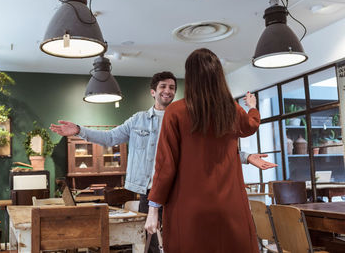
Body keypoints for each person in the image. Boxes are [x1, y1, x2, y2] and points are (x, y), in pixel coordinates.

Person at [50, 71, 275, 253]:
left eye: (171, 88)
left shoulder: (186, 116)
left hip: (180, 192)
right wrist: (79, 131)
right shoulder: (138, 120)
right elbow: (110, 138)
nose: (168, 91)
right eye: (163, 87)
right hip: (148, 191)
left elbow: (210, 150)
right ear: (153, 92)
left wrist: (245, 157)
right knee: (151, 245)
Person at [145, 48, 260, 253]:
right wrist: (252, 106)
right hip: (230, 207)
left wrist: (153, 208)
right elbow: (250, 125)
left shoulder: (176, 112)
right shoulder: (231, 109)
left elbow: (166, 166)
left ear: (191, 77)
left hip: (189, 208)